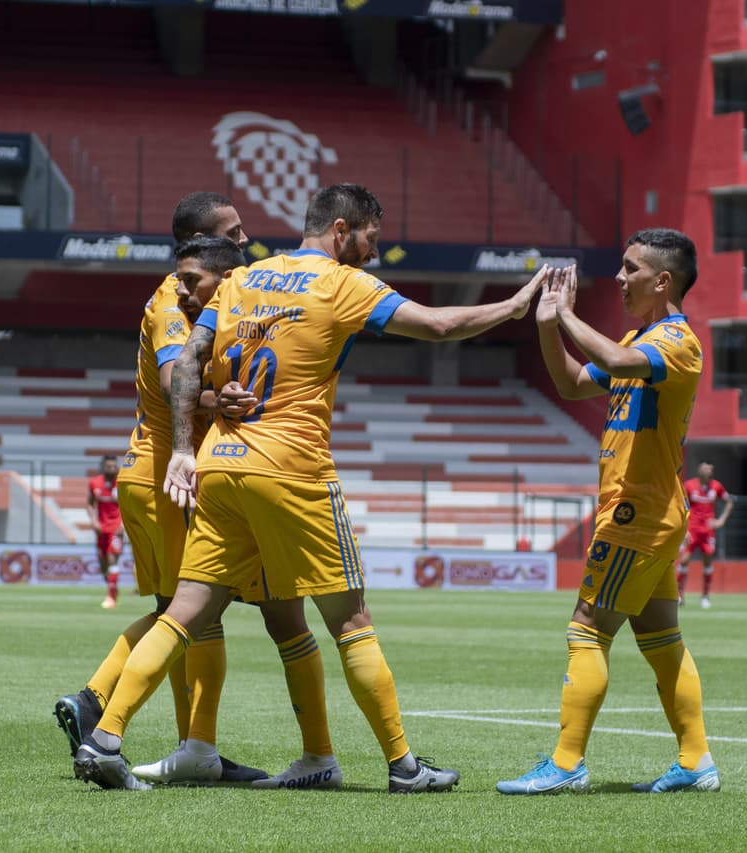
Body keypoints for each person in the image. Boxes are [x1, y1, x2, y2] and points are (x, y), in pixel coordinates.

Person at [71, 182, 546, 793]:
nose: (376, 252)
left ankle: (106, 740)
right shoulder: (342, 283)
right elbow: (436, 323)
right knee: (351, 619)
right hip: (293, 469)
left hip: (219, 466)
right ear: (343, 231)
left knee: (184, 613)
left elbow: (187, 364)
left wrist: (186, 450)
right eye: (372, 238)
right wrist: (514, 307)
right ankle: (405, 768)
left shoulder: (244, 277)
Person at [55, 195, 321, 787]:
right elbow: (179, 378)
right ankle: (121, 713)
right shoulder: (178, 303)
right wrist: (212, 400)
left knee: (183, 611)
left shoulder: (211, 297)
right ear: (201, 242)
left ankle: (171, 735)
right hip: (163, 475)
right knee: (195, 612)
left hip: (160, 473)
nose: (246, 236)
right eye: (233, 230)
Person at [497, 229, 720, 796]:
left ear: (662, 280)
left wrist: (568, 314)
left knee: (587, 630)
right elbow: (573, 384)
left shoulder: (674, 343)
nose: (619, 279)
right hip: (650, 511)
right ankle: (696, 762)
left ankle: (567, 763)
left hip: (635, 513)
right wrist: (550, 325)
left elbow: (617, 359)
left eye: (629, 270)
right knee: (662, 637)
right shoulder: (642, 339)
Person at [678, 462, 733, 609]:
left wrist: (721, 520)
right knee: (684, 560)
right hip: (692, 530)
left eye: (710, 468)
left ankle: (705, 596)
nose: (708, 470)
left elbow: (729, 502)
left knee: (708, 561)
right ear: (699, 470)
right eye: (705, 468)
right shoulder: (689, 485)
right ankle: (679, 595)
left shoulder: (716, 486)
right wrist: (684, 527)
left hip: (707, 531)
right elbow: (680, 505)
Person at [88, 455, 125, 609]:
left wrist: (123, 524)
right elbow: (90, 504)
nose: (112, 469)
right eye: (108, 466)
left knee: (112, 559)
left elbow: (129, 504)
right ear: (103, 467)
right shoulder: (94, 483)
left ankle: (110, 597)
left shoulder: (122, 483)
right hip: (101, 529)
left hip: (116, 528)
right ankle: (112, 588)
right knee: (103, 565)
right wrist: (93, 521)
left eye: (114, 466)